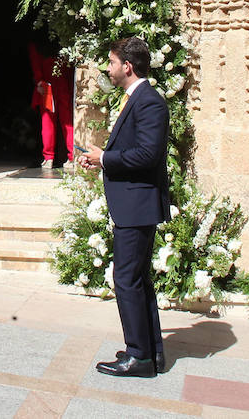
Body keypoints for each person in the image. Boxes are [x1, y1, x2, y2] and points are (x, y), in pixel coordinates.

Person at [79, 36, 171, 378]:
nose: (108, 67)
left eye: (112, 62)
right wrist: (102, 161)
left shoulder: (149, 102)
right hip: (133, 204)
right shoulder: (137, 99)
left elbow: (148, 155)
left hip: (138, 205)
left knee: (126, 279)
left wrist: (106, 158)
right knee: (137, 279)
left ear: (127, 66)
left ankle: (138, 357)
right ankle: (151, 351)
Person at [27, 39, 74, 169]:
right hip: (63, 83)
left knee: (48, 122)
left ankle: (49, 158)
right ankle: (72, 156)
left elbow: (36, 64)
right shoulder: (63, 39)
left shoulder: (36, 43)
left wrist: (39, 81)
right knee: (67, 121)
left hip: (47, 85)